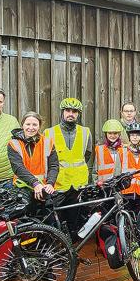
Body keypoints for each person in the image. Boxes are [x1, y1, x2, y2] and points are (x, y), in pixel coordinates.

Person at [46, 97, 94, 231]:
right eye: (67, 110)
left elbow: (87, 154)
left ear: (78, 114)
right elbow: (46, 159)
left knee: (75, 218)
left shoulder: (85, 132)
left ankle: (72, 245)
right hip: (58, 184)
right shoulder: (49, 132)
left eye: (74, 111)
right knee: (57, 219)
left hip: (78, 184)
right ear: (62, 112)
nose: (71, 114)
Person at [7, 112, 59, 201]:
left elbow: (54, 166)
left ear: (39, 126)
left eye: (34, 125)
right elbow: (18, 167)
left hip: (44, 188)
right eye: (28, 124)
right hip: (22, 189)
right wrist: (35, 183)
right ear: (22, 125)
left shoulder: (47, 142)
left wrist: (50, 183)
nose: (31, 128)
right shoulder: (13, 143)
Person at [120, 123, 140, 214]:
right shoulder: (122, 152)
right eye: (132, 135)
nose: (135, 137)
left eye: (137, 135)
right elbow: (117, 174)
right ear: (129, 137)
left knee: (139, 220)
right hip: (126, 193)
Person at [94, 119, 126, 186]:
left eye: (115, 133)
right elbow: (95, 171)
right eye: (110, 133)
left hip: (119, 188)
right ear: (106, 134)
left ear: (119, 134)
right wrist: (96, 183)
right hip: (103, 188)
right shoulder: (100, 150)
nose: (112, 135)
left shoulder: (124, 150)